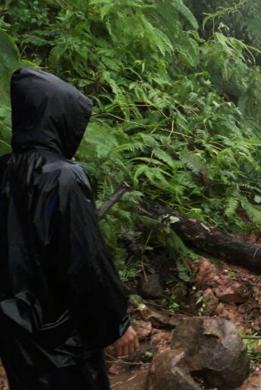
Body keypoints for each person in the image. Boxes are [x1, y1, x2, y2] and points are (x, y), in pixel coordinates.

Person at [0, 68, 138, 389]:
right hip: (62, 338)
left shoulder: (5, 171)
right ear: (57, 119)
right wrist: (116, 323)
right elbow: (85, 261)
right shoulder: (63, 178)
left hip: (15, 333)